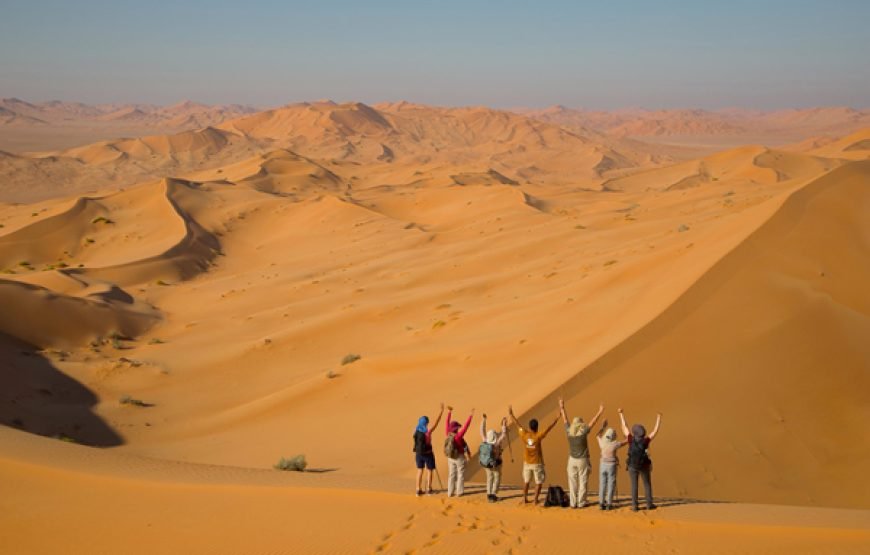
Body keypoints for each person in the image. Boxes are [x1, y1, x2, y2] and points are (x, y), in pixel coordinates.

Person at [558, 398, 604, 508]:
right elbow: (593, 422)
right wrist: (600, 411)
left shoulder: (569, 431)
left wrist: (562, 407)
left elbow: (564, 419)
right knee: (583, 481)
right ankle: (581, 502)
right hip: (583, 460)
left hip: (572, 460)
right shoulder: (583, 432)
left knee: (572, 482)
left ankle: (573, 503)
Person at [508, 405, 559, 504]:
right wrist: (556, 418)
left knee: (526, 481)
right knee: (539, 482)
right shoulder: (538, 436)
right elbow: (548, 428)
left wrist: (511, 415)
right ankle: (535, 500)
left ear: (530, 427)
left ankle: (524, 498)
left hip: (527, 463)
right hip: (537, 463)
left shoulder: (524, 435)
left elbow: (518, 425)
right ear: (537, 427)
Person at [618, 408, 662, 511]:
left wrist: (621, 414)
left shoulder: (630, 439)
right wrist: (659, 418)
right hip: (644, 465)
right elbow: (655, 431)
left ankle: (634, 506)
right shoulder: (646, 441)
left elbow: (624, 426)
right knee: (647, 484)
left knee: (634, 486)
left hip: (632, 465)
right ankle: (649, 504)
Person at [413, 402, 444, 496]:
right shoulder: (428, 431)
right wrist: (441, 412)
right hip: (428, 453)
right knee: (429, 470)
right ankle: (429, 488)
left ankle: (418, 489)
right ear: (426, 423)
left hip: (418, 453)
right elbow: (436, 423)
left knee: (419, 470)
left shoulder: (416, 429)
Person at [596, 420, 628, 510]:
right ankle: (609, 503)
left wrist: (602, 427)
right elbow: (626, 442)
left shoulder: (602, 442)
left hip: (602, 465)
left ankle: (601, 503)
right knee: (611, 484)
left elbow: (597, 435)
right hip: (611, 466)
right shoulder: (615, 444)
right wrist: (625, 433)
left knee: (602, 484)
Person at [445, 406, 474, 497]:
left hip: (450, 457)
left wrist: (449, 412)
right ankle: (459, 492)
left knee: (451, 474)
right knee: (460, 474)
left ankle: (450, 492)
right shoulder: (458, 436)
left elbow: (446, 423)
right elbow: (466, 427)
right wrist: (470, 416)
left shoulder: (447, 434)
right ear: (456, 428)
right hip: (459, 457)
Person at [479, 413, 508, 502]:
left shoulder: (484, 440)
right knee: (497, 477)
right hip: (496, 463)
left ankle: (489, 494)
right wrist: (503, 424)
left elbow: (481, 430)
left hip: (486, 464)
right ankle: (493, 494)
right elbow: (503, 434)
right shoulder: (497, 443)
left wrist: (484, 420)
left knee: (489, 478)